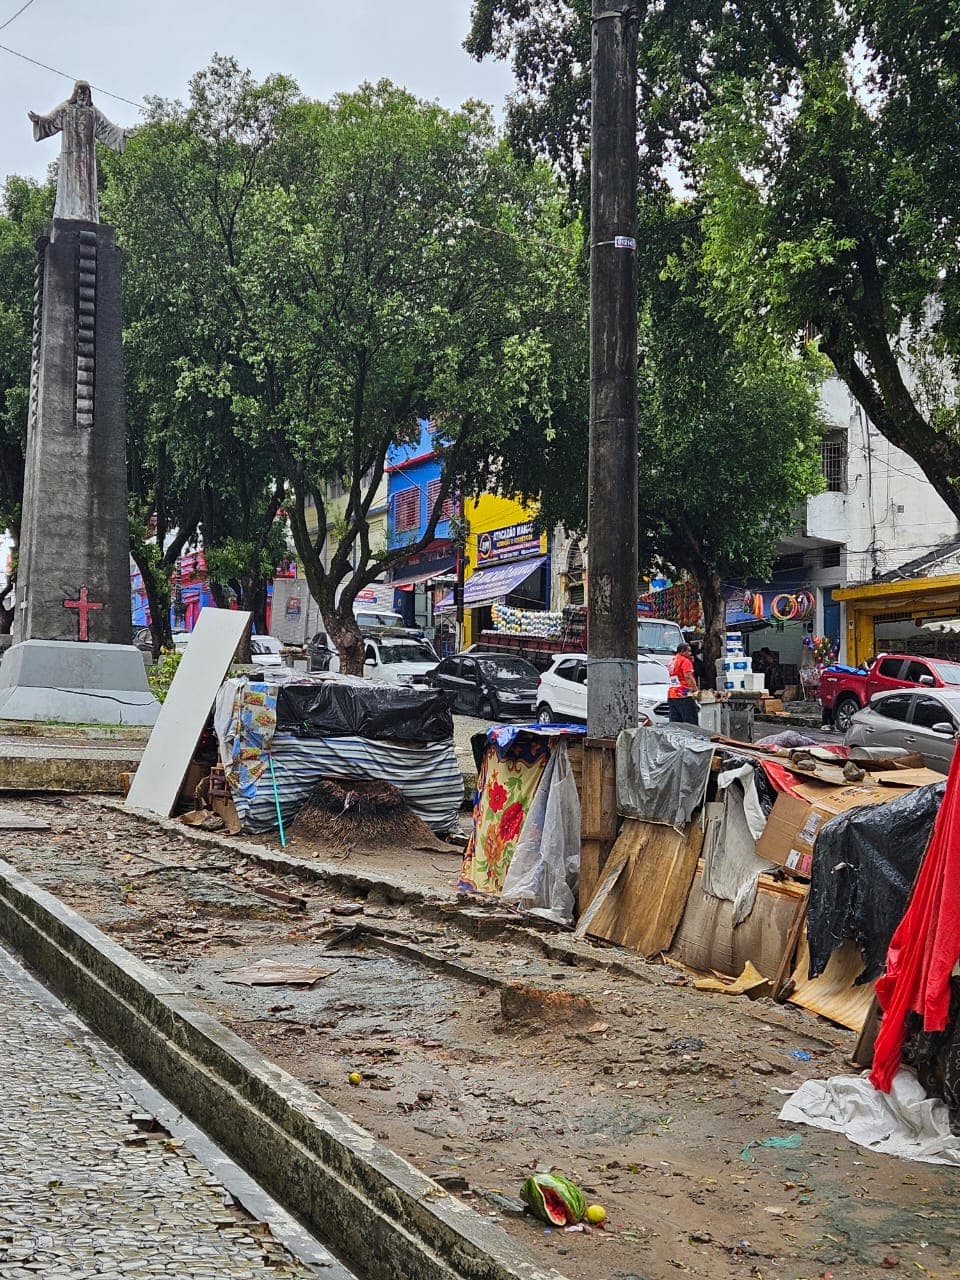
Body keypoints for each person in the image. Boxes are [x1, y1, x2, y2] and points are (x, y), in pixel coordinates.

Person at [667, 642, 699, 724]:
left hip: (672, 694)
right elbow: (688, 676)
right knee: (691, 723)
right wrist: (695, 690)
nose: (690, 653)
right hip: (684, 693)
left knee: (676, 724)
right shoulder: (685, 661)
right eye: (688, 651)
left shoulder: (672, 661)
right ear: (682, 651)